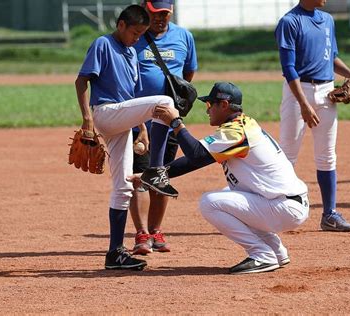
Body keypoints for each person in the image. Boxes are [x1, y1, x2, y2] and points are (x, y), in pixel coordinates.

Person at [129, 82, 310, 274]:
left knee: (210, 203)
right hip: (283, 203)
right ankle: (276, 250)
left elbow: (196, 154)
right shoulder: (243, 125)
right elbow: (196, 161)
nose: (207, 111)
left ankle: (261, 254)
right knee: (229, 194)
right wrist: (152, 175)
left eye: (210, 105)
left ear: (224, 105)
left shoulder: (237, 132)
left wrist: (176, 123)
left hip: (283, 207)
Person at [74, 4, 179, 271]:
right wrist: (87, 119)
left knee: (123, 187)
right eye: (134, 32)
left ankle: (115, 253)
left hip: (123, 120)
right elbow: (81, 81)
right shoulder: (103, 44)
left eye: (141, 33)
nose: (136, 38)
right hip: (106, 112)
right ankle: (156, 168)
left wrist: (142, 128)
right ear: (121, 25)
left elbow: (131, 99)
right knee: (165, 100)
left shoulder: (132, 52)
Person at [274, 0, 350, 232]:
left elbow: (330, 57)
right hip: (297, 92)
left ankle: (329, 215)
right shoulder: (289, 22)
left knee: (327, 155)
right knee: (288, 155)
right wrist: (303, 103)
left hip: (326, 92)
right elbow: (288, 67)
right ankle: (279, 211)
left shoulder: (328, 20)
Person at [128, 0, 198, 255]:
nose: (160, 18)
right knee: (140, 177)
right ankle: (141, 234)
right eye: (155, 13)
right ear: (146, 11)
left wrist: (175, 106)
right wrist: (137, 122)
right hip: (140, 123)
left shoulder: (184, 37)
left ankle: (156, 230)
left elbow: (187, 75)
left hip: (168, 124)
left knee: (162, 175)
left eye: (165, 14)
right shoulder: (135, 38)